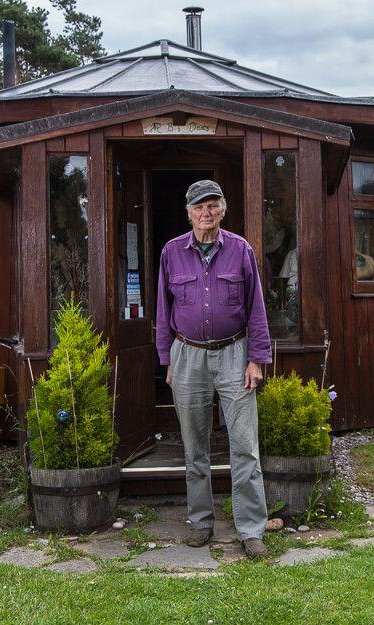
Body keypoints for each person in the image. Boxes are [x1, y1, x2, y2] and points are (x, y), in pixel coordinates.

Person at [155, 179, 272, 560]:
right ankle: (201, 523)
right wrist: (167, 360)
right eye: (198, 207)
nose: (206, 212)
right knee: (195, 448)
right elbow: (162, 311)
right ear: (188, 213)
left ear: (224, 209)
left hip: (235, 354)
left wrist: (256, 359)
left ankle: (251, 530)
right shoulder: (171, 252)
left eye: (212, 205)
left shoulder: (241, 250)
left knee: (245, 447)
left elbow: (257, 308)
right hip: (187, 355)